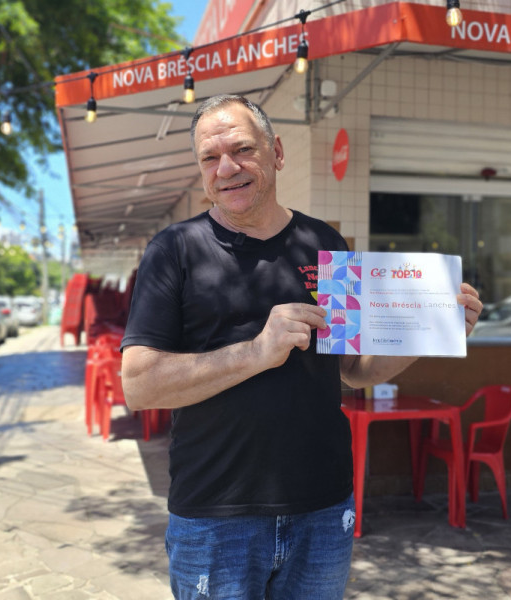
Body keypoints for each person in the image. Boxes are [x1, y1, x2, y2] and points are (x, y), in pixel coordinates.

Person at [121, 94, 483, 600]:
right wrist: (256, 352)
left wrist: (435, 329)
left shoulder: (325, 244)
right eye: (210, 157)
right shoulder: (173, 251)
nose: (227, 168)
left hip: (323, 508)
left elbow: (355, 368)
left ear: (277, 152)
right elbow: (139, 385)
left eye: (242, 150)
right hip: (216, 514)